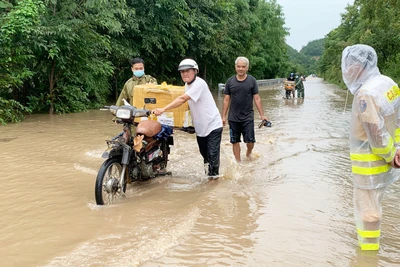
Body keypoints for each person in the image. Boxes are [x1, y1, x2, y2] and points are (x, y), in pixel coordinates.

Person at [341, 44, 400, 251]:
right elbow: (397, 119)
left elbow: (376, 131)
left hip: (369, 162)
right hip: (387, 158)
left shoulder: (365, 93)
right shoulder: (387, 83)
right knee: (376, 203)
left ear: (359, 65)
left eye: (349, 65)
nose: (347, 70)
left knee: (368, 211)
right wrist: (397, 148)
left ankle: (368, 254)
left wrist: (390, 153)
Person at [152, 59, 223, 179]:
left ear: (195, 71)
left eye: (187, 71)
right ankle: (209, 178)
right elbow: (188, 106)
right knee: (205, 156)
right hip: (201, 127)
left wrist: (163, 109)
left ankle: (213, 184)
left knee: (212, 156)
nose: (185, 74)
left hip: (213, 125)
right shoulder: (187, 85)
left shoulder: (199, 84)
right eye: (182, 72)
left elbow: (182, 99)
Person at [222, 56, 268, 162]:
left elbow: (257, 99)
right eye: (238, 66)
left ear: (247, 67)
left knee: (250, 141)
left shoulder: (252, 81)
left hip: (248, 116)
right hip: (233, 117)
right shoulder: (230, 82)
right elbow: (226, 100)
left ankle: (249, 152)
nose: (240, 69)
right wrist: (223, 116)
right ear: (235, 67)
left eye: (243, 67)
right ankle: (238, 162)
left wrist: (262, 115)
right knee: (234, 141)